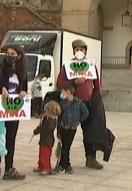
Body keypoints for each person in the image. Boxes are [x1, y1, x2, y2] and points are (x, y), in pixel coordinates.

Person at [0, 45, 28, 185]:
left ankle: (9, 168)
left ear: (19, 56)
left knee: (11, 139)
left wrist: (24, 93)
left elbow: (24, 88)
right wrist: (0, 89)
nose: (9, 56)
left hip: (14, 110)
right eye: (7, 53)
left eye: (12, 53)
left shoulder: (22, 72)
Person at [56, 39, 102, 169]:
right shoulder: (67, 66)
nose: (79, 52)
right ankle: (64, 161)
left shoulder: (91, 66)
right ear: (73, 51)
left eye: (82, 50)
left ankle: (91, 158)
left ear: (86, 51)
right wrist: (75, 82)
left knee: (90, 131)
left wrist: (96, 101)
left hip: (87, 104)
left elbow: (97, 86)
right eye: (77, 50)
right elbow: (59, 84)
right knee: (67, 133)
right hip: (71, 104)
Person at [53, 84, 89, 174]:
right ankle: (67, 165)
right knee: (64, 146)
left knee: (66, 146)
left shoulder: (79, 103)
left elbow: (86, 113)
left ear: (68, 92)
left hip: (72, 128)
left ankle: (61, 165)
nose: (62, 94)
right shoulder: (62, 103)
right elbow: (59, 116)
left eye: (63, 92)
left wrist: (78, 121)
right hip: (63, 127)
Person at [33, 101, 61, 175]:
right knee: (41, 154)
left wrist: (36, 131)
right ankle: (41, 165)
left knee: (45, 155)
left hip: (47, 140)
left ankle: (47, 168)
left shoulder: (50, 121)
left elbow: (43, 128)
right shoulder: (48, 119)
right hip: (44, 139)